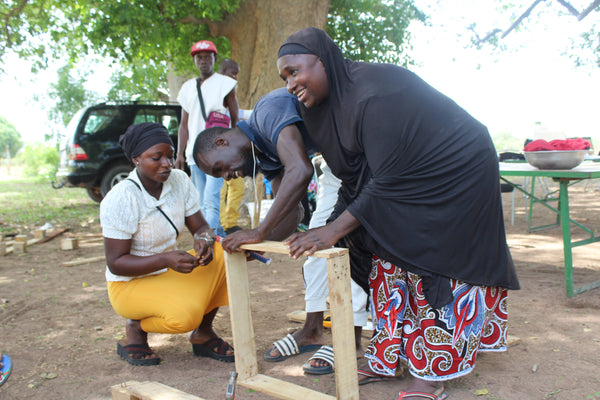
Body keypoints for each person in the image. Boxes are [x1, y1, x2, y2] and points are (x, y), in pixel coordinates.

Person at [276, 27, 520, 399]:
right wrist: (330, 227)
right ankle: (387, 356)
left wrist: (331, 231)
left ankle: (432, 371)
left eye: (294, 71)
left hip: (456, 170)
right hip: (399, 176)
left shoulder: (375, 92)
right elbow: (358, 175)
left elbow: (386, 179)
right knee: (383, 248)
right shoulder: (325, 109)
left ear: (322, 61)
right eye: (284, 77)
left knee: (430, 254)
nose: (290, 83)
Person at [192, 87, 369, 376]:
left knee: (350, 248)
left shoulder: (267, 111)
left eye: (220, 168)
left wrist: (259, 231)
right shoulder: (263, 155)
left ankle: (351, 339)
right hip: (336, 167)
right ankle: (312, 330)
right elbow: (294, 212)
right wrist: (260, 243)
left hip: (361, 159)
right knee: (315, 250)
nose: (226, 176)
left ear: (222, 141)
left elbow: (301, 170)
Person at [100, 122, 233, 366]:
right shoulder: (121, 198)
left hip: (166, 270)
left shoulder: (179, 181)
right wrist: (165, 260)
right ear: (136, 158)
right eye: (156, 157)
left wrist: (203, 241)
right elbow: (116, 263)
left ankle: (203, 333)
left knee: (222, 251)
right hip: (128, 285)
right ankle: (136, 328)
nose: (167, 164)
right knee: (184, 317)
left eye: (170, 156)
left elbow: (202, 228)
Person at [175, 40, 240, 238]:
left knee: (212, 199)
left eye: (208, 57)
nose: (204, 61)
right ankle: (218, 238)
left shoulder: (226, 84)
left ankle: (207, 242)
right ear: (194, 60)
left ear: (214, 59)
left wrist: (235, 151)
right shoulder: (187, 88)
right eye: (199, 57)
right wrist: (179, 153)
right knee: (201, 202)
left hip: (217, 153)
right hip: (194, 155)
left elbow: (235, 119)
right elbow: (183, 125)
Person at [218, 59, 250, 235]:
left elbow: (236, 115)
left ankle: (230, 223)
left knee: (236, 187)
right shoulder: (218, 92)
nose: (235, 78)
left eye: (237, 74)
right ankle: (222, 224)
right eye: (232, 73)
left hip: (231, 151)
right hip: (219, 151)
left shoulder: (231, 92)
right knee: (222, 190)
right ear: (222, 73)